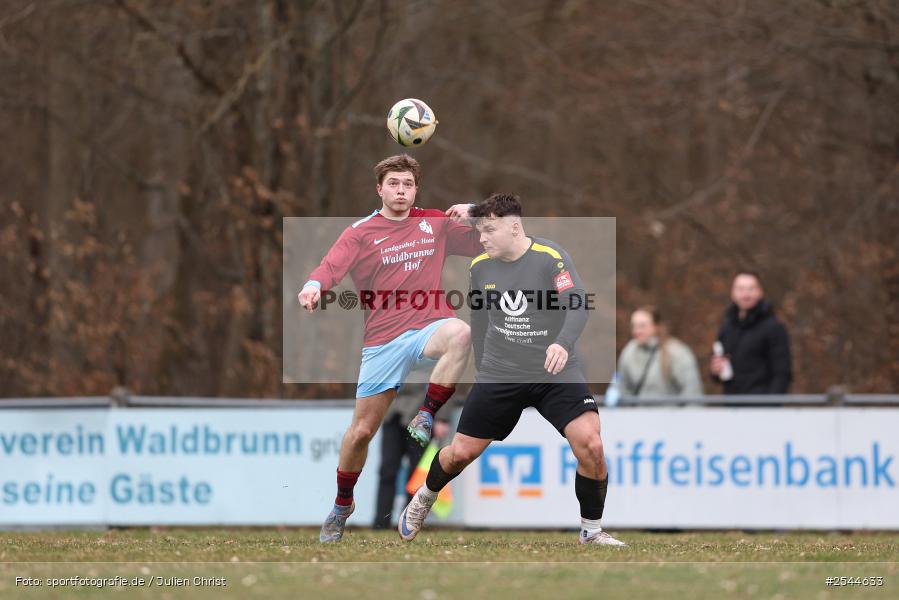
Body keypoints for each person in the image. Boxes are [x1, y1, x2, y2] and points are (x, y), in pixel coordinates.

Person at [396, 193, 626, 546]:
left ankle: (591, 531)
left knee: (592, 446)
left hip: (555, 371)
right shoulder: (480, 267)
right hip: (500, 373)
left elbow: (577, 306)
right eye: (480, 231)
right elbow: (479, 320)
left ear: (514, 227)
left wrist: (562, 343)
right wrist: (485, 365)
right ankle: (424, 496)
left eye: (488, 231)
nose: (481, 238)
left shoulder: (551, 259)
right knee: (460, 454)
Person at [297, 154, 482, 542]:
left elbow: (494, 239)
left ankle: (426, 415)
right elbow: (332, 266)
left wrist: (478, 213)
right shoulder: (361, 232)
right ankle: (342, 504)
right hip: (383, 341)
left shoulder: (434, 223)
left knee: (461, 334)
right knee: (361, 433)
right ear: (379, 189)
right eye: (394, 184)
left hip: (429, 324)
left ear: (416, 189)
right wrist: (315, 286)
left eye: (408, 184)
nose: (401, 190)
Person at [372, 381, 451, 529]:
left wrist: (443, 417)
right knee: (387, 471)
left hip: (421, 419)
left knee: (417, 475)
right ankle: (380, 523)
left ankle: (408, 523)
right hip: (392, 417)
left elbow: (446, 378)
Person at [710, 271, 792, 394]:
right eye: (740, 289)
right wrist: (715, 370)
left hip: (761, 406)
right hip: (732, 405)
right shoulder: (727, 326)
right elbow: (719, 371)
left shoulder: (774, 328)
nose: (745, 294)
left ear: (760, 292)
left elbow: (782, 373)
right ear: (732, 293)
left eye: (751, 288)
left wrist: (772, 406)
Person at [617, 306, 703, 398]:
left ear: (655, 327)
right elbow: (622, 387)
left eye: (642, 326)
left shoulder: (677, 353)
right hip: (638, 411)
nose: (636, 331)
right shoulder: (629, 351)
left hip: (670, 411)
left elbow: (692, 391)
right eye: (634, 326)